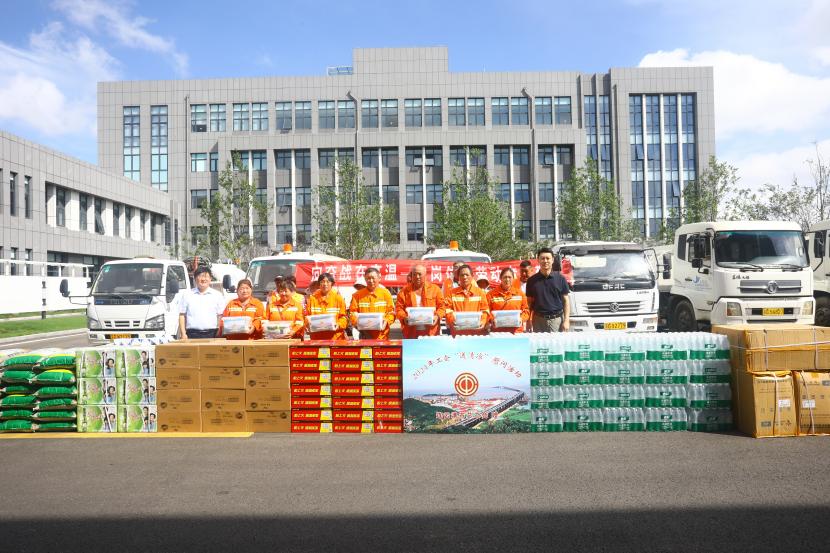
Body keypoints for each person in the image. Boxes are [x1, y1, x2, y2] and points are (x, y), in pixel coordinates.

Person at [526, 247, 570, 332]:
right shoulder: (531, 281)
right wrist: (528, 321)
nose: (545, 261)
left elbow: (566, 301)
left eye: (548, 258)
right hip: (538, 320)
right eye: (542, 258)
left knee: (556, 341)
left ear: (552, 260)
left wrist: (566, 320)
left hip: (557, 320)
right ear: (538, 260)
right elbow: (529, 303)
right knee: (539, 341)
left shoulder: (561, 279)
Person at [395, 263, 445, 339]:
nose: (417, 277)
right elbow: (399, 309)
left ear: (425, 275)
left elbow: (442, 307)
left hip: (431, 332)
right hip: (410, 332)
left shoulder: (435, 289)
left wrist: (437, 316)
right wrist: (404, 317)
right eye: (414, 274)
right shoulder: (404, 292)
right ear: (411, 275)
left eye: (419, 274)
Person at [179, 266, 225, 340]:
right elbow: (182, 315)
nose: (203, 279)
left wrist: (219, 332)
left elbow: (221, 315)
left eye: (206, 276)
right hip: (192, 334)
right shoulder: (187, 294)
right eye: (200, 276)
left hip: (212, 334)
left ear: (210, 279)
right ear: (195, 279)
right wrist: (183, 333)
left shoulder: (217, 295)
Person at [349, 268, 395, 340]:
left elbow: (391, 312)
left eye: (373, 278)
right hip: (364, 335)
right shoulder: (357, 295)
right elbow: (352, 313)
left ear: (379, 278)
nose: (371, 281)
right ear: (365, 279)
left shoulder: (386, 294)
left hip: (382, 336)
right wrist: (357, 323)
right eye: (368, 278)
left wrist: (386, 321)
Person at [444, 264, 490, 336]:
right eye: (462, 275)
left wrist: (483, 321)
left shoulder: (480, 292)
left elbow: (485, 310)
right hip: (458, 333)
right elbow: (448, 310)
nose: (464, 277)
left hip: (477, 333)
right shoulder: (451, 293)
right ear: (458, 277)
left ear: (472, 276)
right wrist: (453, 320)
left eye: (467, 275)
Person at [305, 273, 348, 341]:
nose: (325, 284)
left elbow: (344, 318)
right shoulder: (312, 299)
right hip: (317, 338)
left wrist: (338, 325)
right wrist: (307, 326)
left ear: (332, 284)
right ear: (319, 284)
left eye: (328, 282)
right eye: (322, 282)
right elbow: (306, 316)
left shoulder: (338, 299)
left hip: (335, 338)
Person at [488, 268, 530, 334]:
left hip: (516, 331)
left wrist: (521, 319)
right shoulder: (491, 294)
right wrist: (492, 319)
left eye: (509, 277)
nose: (507, 279)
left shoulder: (520, 294)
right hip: (498, 332)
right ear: (500, 278)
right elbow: (487, 311)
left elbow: (526, 311)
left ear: (513, 279)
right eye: (505, 277)